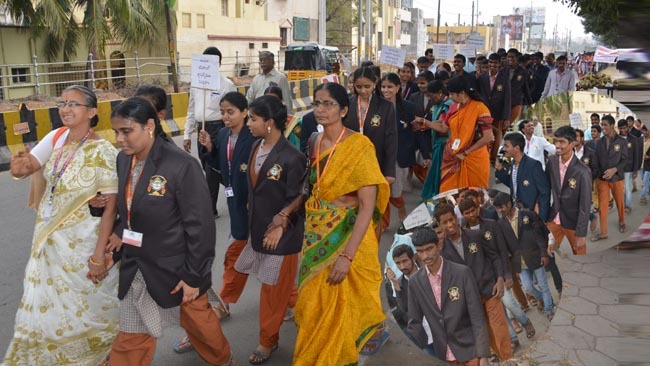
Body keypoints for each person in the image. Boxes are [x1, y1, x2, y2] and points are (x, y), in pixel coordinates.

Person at [107, 97, 233, 365]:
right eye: (116, 132)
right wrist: (118, 229)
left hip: (177, 268)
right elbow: (129, 207)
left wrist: (193, 275)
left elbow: (200, 227)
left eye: (126, 131)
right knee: (131, 337)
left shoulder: (181, 165)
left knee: (200, 324)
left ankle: (223, 360)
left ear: (149, 125)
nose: (120, 139)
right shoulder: (122, 160)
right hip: (136, 265)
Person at [5, 85, 119, 365]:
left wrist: (98, 255)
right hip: (48, 244)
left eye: (73, 104)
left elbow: (110, 207)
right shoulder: (58, 144)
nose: (65, 109)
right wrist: (19, 167)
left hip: (82, 249)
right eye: (62, 103)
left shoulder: (102, 150)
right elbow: (36, 173)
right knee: (47, 313)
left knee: (86, 311)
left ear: (92, 112)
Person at [293, 82, 389, 365]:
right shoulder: (314, 142)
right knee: (313, 304)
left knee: (342, 308)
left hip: (347, 239)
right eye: (316, 103)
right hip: (316, 236)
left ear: (343, 110)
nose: (320, 109)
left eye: (328, 104)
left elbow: (367, 207)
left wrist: (347, 256)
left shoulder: (359, 146)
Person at [172, 92, 257, 354]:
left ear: (245, 112)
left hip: (254, 206)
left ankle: (290, 301)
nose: (225, 117)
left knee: (254, 258)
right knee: (245, 256)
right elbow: (219, 168)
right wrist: (209, 148)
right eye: (222, 112)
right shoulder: (221, 135)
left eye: (230, 112)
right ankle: (227, 303)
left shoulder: (254, 137)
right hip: (234, 202)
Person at [232, 95, 306, 364]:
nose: (248, 123)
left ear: (270, 122)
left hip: (281, 236)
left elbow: (299, 195)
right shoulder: (255, 147)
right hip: (258, 230)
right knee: (279, 286)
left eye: (253, 118)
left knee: (272, 292)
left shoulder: (292, 157)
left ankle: (267, 341)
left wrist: (282, 222)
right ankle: (306, 314)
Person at [435, 202, 512, 362]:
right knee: (487, 335)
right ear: (440, 225)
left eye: (451, 219)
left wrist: (499, 278)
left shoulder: (475, 235)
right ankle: (501, 358)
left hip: (490, 291)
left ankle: (509, 360)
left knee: (500, 331)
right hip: (470, 302)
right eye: (445, 222)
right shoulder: (443, 253)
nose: (450, 225)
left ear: (457, 218)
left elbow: (494, 257)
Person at [407, 226, 490, 365]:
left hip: (470, 350)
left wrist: (483, 355)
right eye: (420, 251)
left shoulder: (462, 273)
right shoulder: (415, 282)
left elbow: (476, 315)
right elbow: (414, 322)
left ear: (438, 245)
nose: (425, 256)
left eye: (429, 249)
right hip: (442, 354)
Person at [184, 47, 237, 218]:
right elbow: (191, 110)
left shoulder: (227, 85)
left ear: (218, 63)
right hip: (202, 128)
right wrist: (187, 135)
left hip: (219, 129)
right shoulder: (196, 85)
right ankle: (233, 187)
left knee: (212, 169)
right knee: (209, 168)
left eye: (211, 62)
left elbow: (234, 110)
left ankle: (210, 209)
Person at [345, 67, 397, 232]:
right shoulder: (346, 104)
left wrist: (389, 171)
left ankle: (373, 234)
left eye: (367, 86)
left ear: (375, 84)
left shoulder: (386, 106)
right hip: (351, 162)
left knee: (373, 204)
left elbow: (391, 139)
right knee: (352, 202)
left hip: (376, 163)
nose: (363, 90)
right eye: (358, 87)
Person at [494, 193, 555, 320]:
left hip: (536, 256)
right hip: (519, 263)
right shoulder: (501, 224)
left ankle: (549, 309)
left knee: (543, 285)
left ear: (509, 204)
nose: (500, 211)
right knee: (528, 288)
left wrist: (543, 253)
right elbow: (503, 249)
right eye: (497, 208)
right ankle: (544, 298)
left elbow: (539, 236)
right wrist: (508, 274)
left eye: (501, 207)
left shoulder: (527, 215)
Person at [381, 73, 425, 222]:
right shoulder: (375, 107)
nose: (386, 90)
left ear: (398, 88)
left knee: (394, 190)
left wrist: (425, 154)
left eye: (390, 87)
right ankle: (384, 223)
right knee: (381, 191)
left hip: (399, 156)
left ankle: (401, 208)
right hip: (379, 156)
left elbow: (418, 132)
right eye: (383, 87)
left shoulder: (409, 107)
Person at [438, 76, 494, 192]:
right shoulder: (454, 107)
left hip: (474, 159)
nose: (450, 97)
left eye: (452, 94)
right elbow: (444, 128)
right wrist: (425, 122)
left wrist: (465, 152)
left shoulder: (480, 108)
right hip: (454, 156)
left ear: (462, 93)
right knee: (447, 192)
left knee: (474, 198)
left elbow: (488, 137)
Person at [546, 126, 592, 255]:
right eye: (556, 141)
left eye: (562, 142)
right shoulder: (552, 161)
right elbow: (545, 187)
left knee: (580, 253)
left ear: (573, 143)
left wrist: (581, 234)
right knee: (546, 251)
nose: (557, 145)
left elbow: (585, 204)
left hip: (573, 222)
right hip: (554, 217)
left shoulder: (582, 171)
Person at [495, 132, 551, 223]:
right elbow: (513, 183)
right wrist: (499, 169)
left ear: (516, 148)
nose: (503, 149)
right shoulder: (513, 163)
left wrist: (542, 218)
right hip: (518, 213)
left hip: (532, 214)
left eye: (506, 146)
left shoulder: (533, 165)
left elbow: (544, 192)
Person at [592, 115, 628, 240]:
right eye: (602, 125)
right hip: (602, 179)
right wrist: (596, 176)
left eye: (605, 125)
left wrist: (615, 169)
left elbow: (625, 160)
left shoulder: (622, 142)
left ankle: (622, 221)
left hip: (617, 178)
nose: (603, 127)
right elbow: (596, 160)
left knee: (620, 202)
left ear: (612, 126)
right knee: (602, 205)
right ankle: (603, 232)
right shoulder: (600, 142)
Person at [418, 80, 453, 199]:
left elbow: (443, 126)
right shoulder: (437, 105)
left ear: (439, 93)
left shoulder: (448, 105)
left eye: (431, 96)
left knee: (439, 176)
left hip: (444, 145)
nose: (429, 99)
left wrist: (424, 123)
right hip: (437, 144)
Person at [478, 53, 511, 164]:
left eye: (495, 63)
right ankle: (484, 155)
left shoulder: (504, 78)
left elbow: (507, 98)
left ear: (499, 64)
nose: (492, 65)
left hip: (498, 112)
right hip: (484, 112)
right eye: (491, 62)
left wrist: (506, 117)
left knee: (497, 134)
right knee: (484, 134)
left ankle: (492, 157)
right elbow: (479, 94)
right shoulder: (482, 77)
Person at [264, 85, 301, 150]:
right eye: (267, 100)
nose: (270, 104)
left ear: (281, 101)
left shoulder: (293, 122)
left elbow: (303, 139)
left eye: (274, 100)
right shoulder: (260, 121)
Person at [618, 119, 641, 214]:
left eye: (624, 128)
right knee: (620, 189)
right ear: (618, 128)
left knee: (627, 188)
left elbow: (636, 156)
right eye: (621, 128)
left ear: (627, 127)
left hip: (629, 169)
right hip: (618, 169)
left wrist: (635, 171)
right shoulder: (615, 139)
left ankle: (627, 206)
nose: (623, 130)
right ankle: (622, 204)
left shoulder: (633, 139)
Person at [507, 48, 531, 122]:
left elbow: (525, 88)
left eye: (512, 57)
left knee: (513, 124)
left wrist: (530, 102)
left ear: (517, 58)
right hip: (503, 103)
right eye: (509, 57)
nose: (510, 59)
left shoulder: (523, 72)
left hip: (516, 102)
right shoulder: (502, 71)